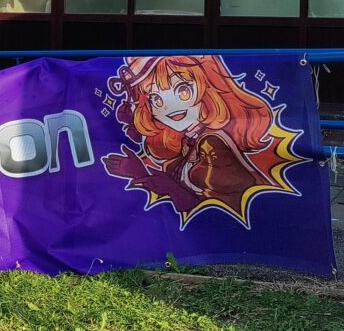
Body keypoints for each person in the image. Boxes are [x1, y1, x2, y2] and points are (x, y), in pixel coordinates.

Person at [102, 55, 273, 214]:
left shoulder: (212, 142)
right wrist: (141, 172)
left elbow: (214, 208)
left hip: (232, 237)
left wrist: (145, 176)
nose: (169, 106)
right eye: (156, 99)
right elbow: (178, 177)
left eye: (183, 89)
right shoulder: (190, 141)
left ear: (208, 86)